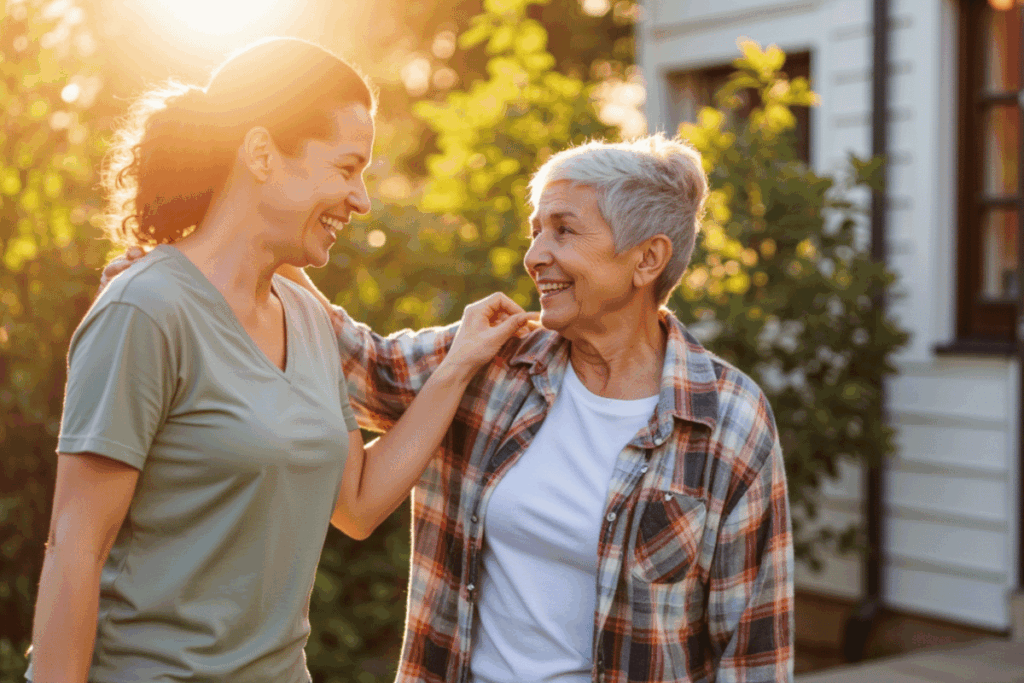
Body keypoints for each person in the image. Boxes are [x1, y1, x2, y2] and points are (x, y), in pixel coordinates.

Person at [28, 38, 530, 683]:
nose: (361, 199)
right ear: (262, 153)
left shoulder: (307, 316)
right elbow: (76, 546)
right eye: (347, 168)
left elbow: (357, 502)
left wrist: (459, 364)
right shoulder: (146, 310)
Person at [292, 134, 795, 682]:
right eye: (535, 233)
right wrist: (251, 229)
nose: (534, 256)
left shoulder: (730, 419)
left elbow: (753, 656)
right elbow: (360, 360)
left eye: (563, 230)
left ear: (647, 259)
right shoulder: (494, 360)